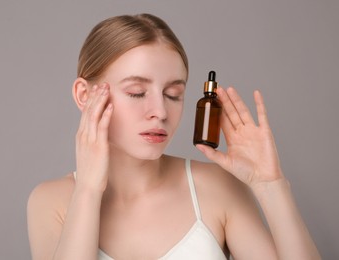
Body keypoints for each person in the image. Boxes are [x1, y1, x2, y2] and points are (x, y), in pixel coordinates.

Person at [27, 13, 321, 260]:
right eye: (137, 92)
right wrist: (88, 190)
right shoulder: (51, 201)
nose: (160, 111)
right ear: (84, 95)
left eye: (173, 94)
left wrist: (271, 186)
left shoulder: (218, 187)